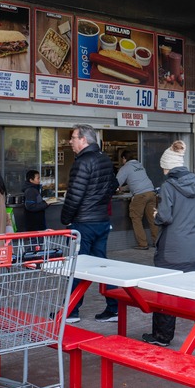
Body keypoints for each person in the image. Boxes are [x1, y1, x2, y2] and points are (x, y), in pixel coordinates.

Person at [141, 140, 195, 347]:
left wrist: (157, 214)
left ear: (168, 166)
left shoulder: (168, 185)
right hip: (193, 247)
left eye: (163, 167)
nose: (163, 170)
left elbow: (166, 217)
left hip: (171, 248)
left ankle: (162, 336)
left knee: (166, 292)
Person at [61, 124, 119, 323]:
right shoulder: (104, 159)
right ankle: (114, 308)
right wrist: (99, 201)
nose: (71, 141)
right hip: (101, 221)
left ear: (84, 140)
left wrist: (65, 218)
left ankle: (71, 311)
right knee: (102, 265)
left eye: (74, 137)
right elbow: (114, 185)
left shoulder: (82, 162)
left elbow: (74, 196)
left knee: (77, 266)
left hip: (83, 223)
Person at [116, 150, 158, 250]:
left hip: (140, 196)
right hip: (151, 193)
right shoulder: (139, 165)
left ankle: (143, 244)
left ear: (124, 158)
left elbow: (116, 182)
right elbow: (136, 181)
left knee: (136, 218)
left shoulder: (125, 167)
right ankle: (157, 242)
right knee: (153, 219)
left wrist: (115, 188)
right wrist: (124, 188)